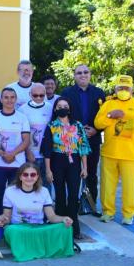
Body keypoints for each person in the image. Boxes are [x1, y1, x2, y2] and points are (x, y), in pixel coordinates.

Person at [94, 75, 134, 225]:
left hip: (130, 155)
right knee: (107, 186)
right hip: (109, 153)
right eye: (120, 88)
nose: (123, 90)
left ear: (132, 89)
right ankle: (108, 212)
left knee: (130, 187)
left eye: (126, 88)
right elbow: (98, 124)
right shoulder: (108, 104)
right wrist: (110, 116)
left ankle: (128, 214)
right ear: (115, 89)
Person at [1, 162, 75, 262]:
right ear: (20, 177)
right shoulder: (10, 191)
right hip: (19, 228)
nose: (29, 177)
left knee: (65, 227)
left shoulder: (44, 191)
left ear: (37, 177)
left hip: (38, 227)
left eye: (33, 174)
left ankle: (31, 249)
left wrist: (64, 219)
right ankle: (39, 249)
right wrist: (4, 219)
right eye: (25, 174)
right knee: (12, 230)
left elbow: (51, 217)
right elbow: (7, 217)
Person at [41, 97, 90, 239]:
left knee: (74, 195)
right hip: (57, 161)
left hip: (74, 161)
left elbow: (83, 147)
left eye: (65, 106)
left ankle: (75, 228)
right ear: (55, 109)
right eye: (59, 106)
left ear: (69, 109)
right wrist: (48, 170)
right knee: (60, 195)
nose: (62, 108)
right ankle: (61, 227)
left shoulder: (78, 125)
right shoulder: (51, 126)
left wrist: (84, 167)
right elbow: (47, 150)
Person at [61, 64, 106, 213]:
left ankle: (91, 205)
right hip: (72, 140)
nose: (82, 75)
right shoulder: (66, 93)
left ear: (90, 74)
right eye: (79, 73)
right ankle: (74, 206)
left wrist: (96, 130)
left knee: (91, 173)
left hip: (93, 139)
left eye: (85, 72)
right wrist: (75, 131)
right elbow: (62, 115)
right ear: (74, 76)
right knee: (74, 173)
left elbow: (105, 118)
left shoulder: (99, 93)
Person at [0, 87, 30, 217]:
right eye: (6, 97)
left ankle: (15, 219)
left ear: (16, 99)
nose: (9, 100)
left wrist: (12, 154)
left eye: (12, 97)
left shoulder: (22, 118)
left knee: (16, 192)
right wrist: (3, 154)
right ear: (1, 99)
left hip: (17, 163)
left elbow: (26, 140)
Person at [18, 83, 53, 193]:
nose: (38, 98)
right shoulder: (22, 110)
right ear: (30, 94)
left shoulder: (50, 108)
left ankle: (46, 208)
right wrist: (27, 151)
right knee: (29, 184)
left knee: (46, 185)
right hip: (30, 156)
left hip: (47, 155)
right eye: (35, 95)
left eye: (41, 95)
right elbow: (20, 133)